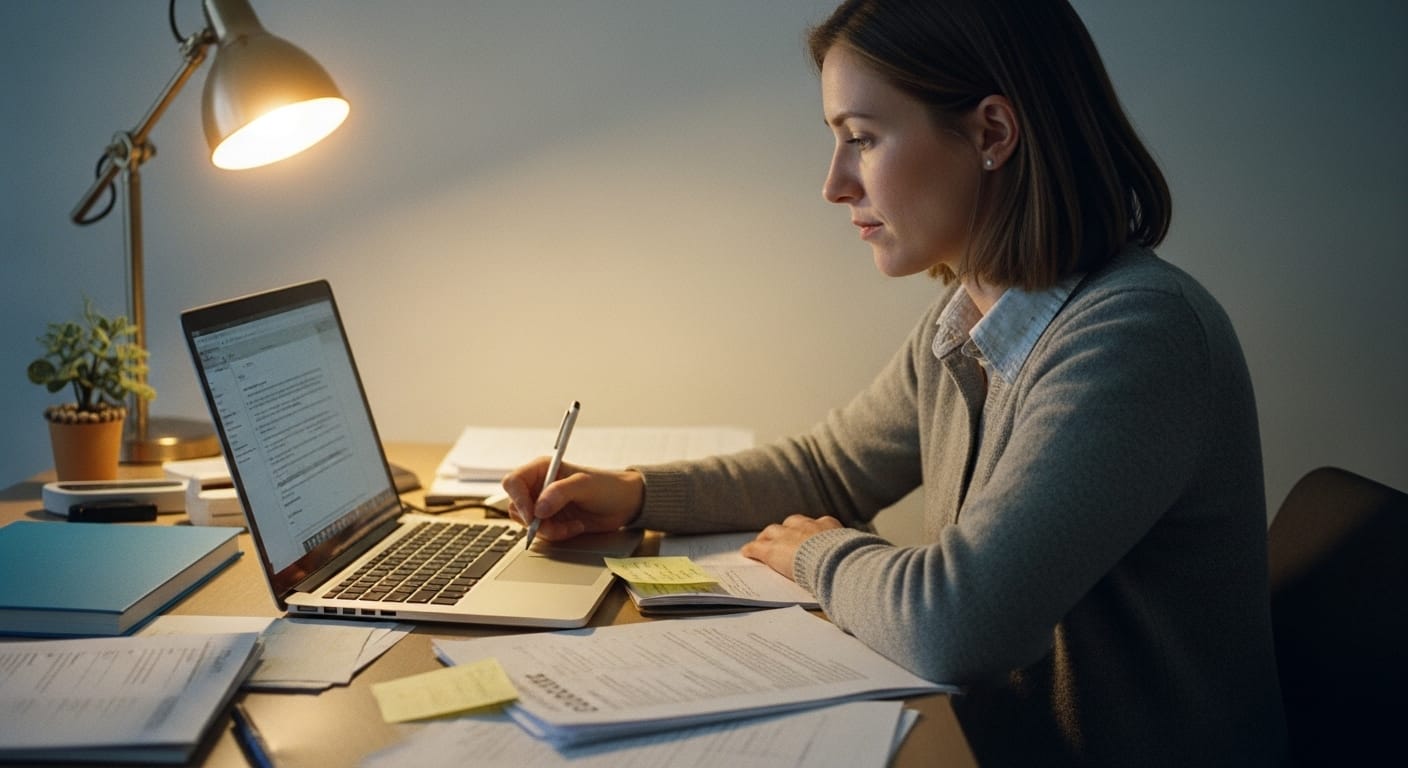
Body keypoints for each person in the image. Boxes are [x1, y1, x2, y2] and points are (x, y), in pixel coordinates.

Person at [503, 0, 1287, 764]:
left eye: (864, 139)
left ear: (992, 133)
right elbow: (828, 470)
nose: (835, 183)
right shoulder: (970, 317)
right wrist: (634, 492)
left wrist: (821, 554)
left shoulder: (1135, 336)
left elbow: (959, 624)